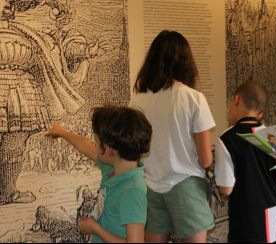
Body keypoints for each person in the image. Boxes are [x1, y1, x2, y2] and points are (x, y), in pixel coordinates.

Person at [0, 0, 105, 204]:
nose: (4, 6)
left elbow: (62, 49)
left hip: (22, 95)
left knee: (14, 145)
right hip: (8, 90)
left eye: (7, 3)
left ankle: (8, 192)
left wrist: (86, 52)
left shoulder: (28, 32)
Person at [129, 30, 215, 243]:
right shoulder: (194, 98)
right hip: (186, 186)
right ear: (185, 61)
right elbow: (205, 159)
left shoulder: (137, 101)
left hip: (150, 186)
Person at [45, 105, 152, 243]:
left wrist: (96, 229)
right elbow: (85, 145)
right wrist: (61, 132)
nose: (94, 145)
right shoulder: (113, 168)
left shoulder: (132, 191)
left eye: (96, 141)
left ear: (107, 150)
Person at [214, 81, 276, 243]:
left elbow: (226, 188)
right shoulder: (274, 136)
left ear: (236, 99)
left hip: (245, 217)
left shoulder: (227, 138)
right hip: (272, 213)